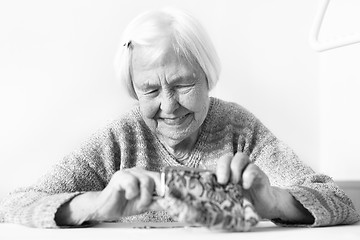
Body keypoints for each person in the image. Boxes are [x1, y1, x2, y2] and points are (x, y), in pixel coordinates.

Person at [0, 7, 359, 228]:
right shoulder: (120, 138)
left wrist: (274, 202)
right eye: (150, 91)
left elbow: (340, 202)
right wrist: (92, 204)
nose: (169, 107)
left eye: (183, 84)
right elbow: (14, 204)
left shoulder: (239, 129)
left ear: (207, 77)